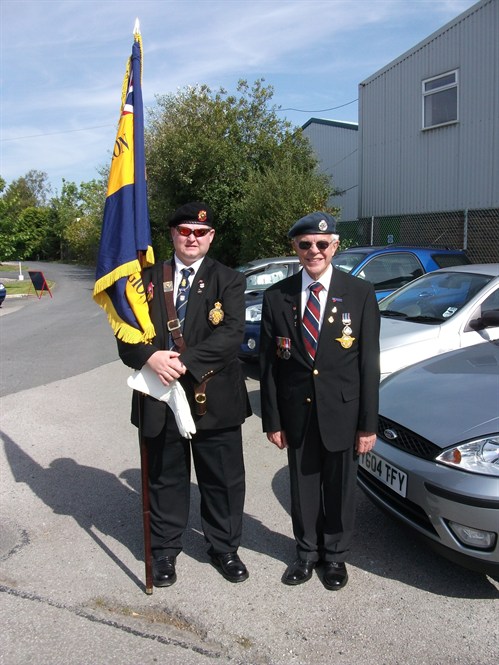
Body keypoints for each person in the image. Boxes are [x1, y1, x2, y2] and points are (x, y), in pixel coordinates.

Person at [118, 201, 251, 587]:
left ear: (211, 237)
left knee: (223, 479)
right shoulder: (140, 280)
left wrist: (183, 363)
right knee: (165, 477)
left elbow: (231, 335)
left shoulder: (229, 280)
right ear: (173, 234)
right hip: (159, 396)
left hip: (215, 396)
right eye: (185, 231)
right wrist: (150, 357)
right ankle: (164, 550)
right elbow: (124, 335)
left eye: (201, 232)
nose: (192, 238)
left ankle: (224, 547)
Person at [259, 211, 380, 590]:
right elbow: (268, 367)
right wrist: (272, 420)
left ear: (335, 246)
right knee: (304, 486)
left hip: (343, 412)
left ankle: (336, 557)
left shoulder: (359, 294)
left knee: (341, 488)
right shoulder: (276, 297)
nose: (315, 251)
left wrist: (368, 424)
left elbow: (368, 365)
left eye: (322, 244)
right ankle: (306, 553)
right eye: (306, 244)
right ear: (295, 248)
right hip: (298, 413)